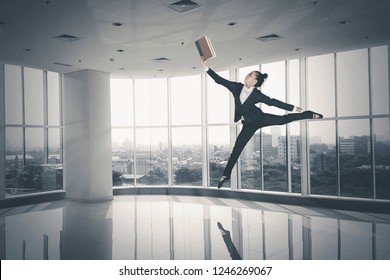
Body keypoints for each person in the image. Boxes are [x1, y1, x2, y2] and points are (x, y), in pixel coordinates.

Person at [201, 57, 323, 188]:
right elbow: (220, 81)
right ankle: (226, 175)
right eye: (248, 74)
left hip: (260, 118)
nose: (247, 75)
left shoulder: (257, 95)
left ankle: (308, 114)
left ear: (254, 81)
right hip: (248, 125)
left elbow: (273, 102)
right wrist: (206, 67)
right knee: (236, 150)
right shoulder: (236, 87)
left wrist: (293, 108)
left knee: (282, 120)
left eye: (250, 75)